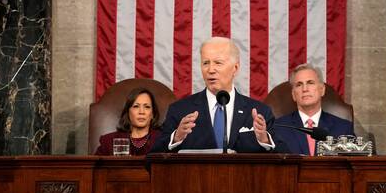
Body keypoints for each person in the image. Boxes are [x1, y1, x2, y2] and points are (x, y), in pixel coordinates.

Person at [150, 37, 288, 153]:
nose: (210, 70)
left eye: (218, 63)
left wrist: (264, 139)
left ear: (235, 68)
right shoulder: (180, 110)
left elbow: (285, 156)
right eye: (205, 63)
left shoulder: (260, 112)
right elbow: (153, 157)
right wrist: (176, 138)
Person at [275, 64, 354, 155]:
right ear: (293, 94)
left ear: (322, 89)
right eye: (299, 85)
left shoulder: (343, 128)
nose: (305, 89)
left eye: (310, 83)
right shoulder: (278, 128)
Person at [95, 87, 161, 155]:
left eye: (147, 107)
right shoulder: (108, 141)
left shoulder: (164, 140)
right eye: (136, 106)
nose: (141, 112)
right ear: (128, 112)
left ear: (152, 114)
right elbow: (93, 165)